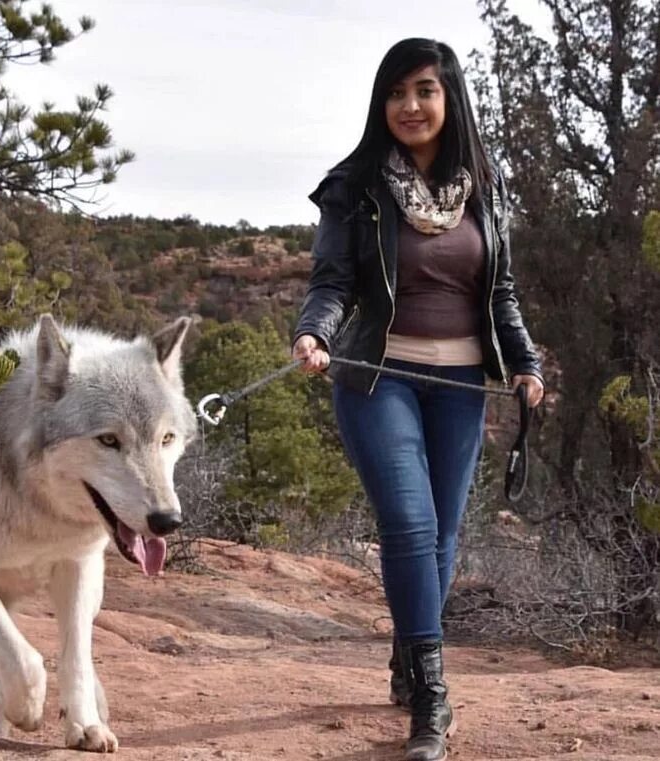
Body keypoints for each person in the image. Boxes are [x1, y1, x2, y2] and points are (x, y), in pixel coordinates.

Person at [291, 38, 544, 761]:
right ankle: (432, 696)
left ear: (449, 99)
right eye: (397, 92)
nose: (410, 105)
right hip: (376, 376)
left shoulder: (485, 186)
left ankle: (410, 654)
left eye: (425, 90)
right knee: (408, 522)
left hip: (461, 384)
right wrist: (314, 334)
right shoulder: (355, 184)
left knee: (441, 538)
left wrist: (523, 361)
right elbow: (331, 281)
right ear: (382, 103)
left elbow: (500, 290)